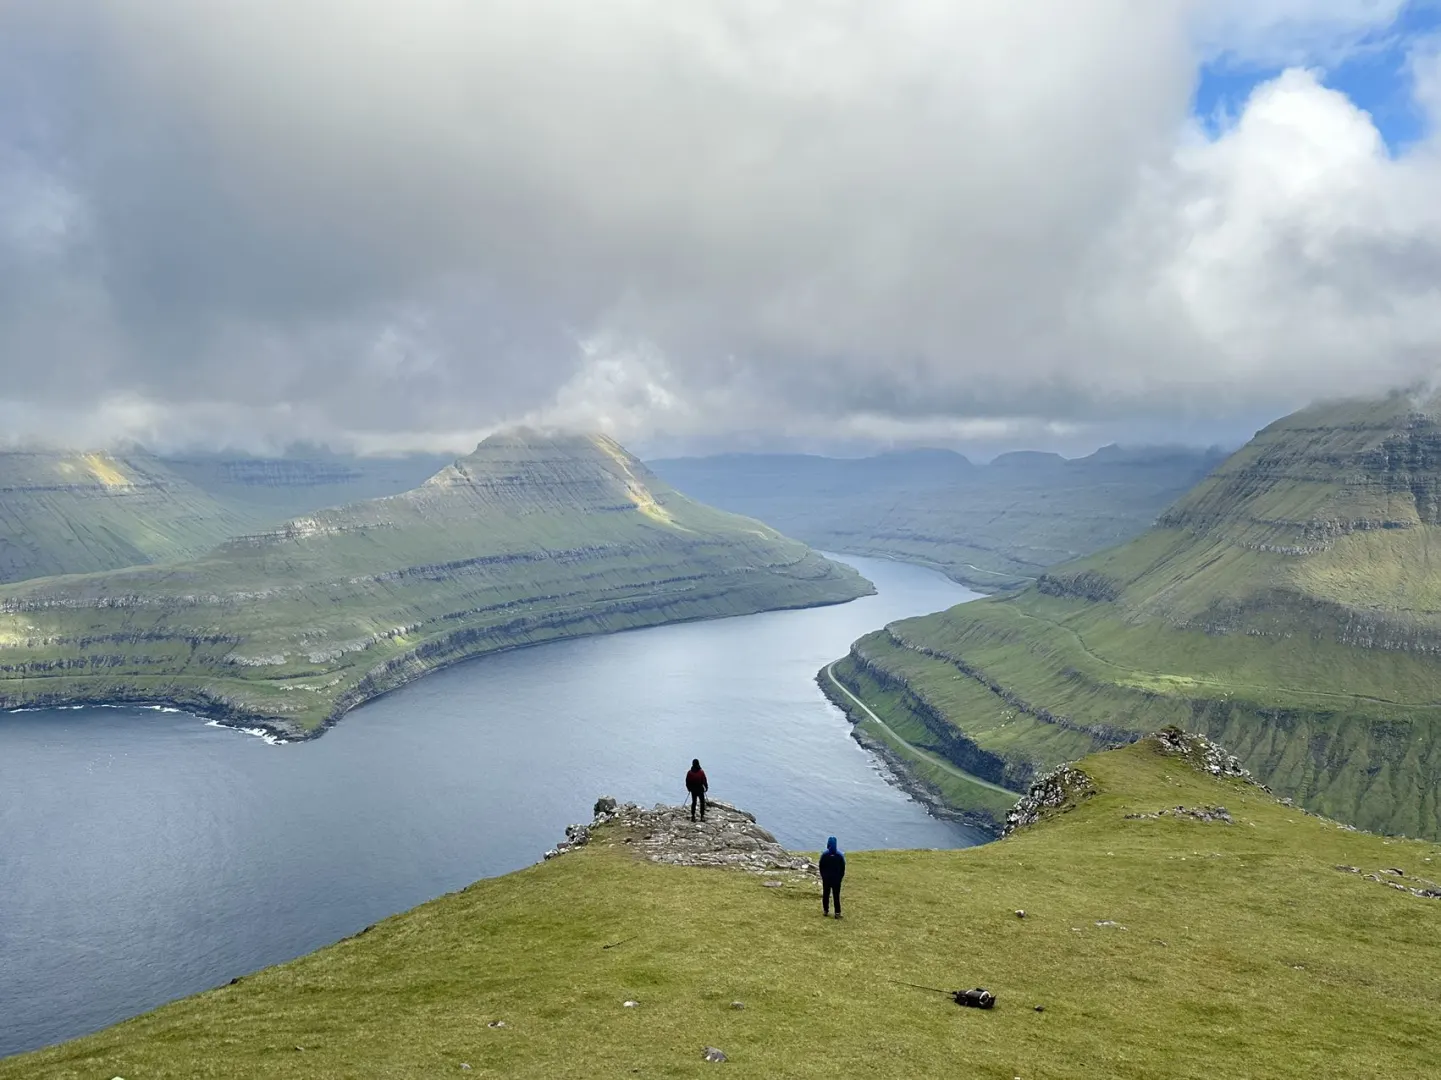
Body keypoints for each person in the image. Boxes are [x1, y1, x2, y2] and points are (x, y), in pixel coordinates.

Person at [819, 836, 845, 918]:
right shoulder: (839, 855)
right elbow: (843, 868)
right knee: (836, 895)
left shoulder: (824, 855)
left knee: (826, 894)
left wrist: (823, 876)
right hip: (836, 879)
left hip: (826, 878)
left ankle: (826, 910)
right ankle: (837, 913)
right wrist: (840, 877)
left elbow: (821, 866)